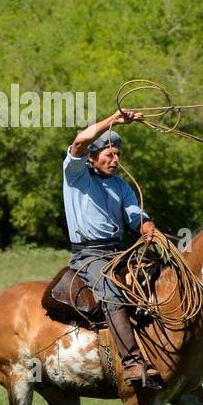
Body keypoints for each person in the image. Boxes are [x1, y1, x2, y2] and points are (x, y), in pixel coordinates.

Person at [63, 108, 164, 389]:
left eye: (118, 154)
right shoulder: (76, 174)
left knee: (161, 280)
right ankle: (132, 363)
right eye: (109, 154)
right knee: (111, 292)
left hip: (117, 251)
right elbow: (80, 141)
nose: (115, 159)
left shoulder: (120, 185)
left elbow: (136, 216)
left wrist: (148, 230)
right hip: (88, 256)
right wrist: (113, 120)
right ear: (92, 158)